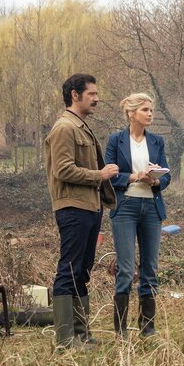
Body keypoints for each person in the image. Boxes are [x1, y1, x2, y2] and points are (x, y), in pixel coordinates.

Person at [45, 73, 118, 349]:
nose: (97, 99)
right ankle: (65, 339)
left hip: (89, 207)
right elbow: (62, 170)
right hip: (73, 208)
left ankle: (81, 334)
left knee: (82, 271)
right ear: (75, 95)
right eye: (92, 94)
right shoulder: (64, 128)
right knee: (69, 270)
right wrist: (99, 174)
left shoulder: (81, 126)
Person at [105, 93, 171, 338]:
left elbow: (167, 175)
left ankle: (148, 328)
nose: (150, 114)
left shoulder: (157, 142)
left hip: (151, 208)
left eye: (151, 110)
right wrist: (133, 177)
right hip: (126, 207)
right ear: (131, 113)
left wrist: (155, 178)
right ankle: (121, 331)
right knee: (125, 268)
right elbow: (110, 173)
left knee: (150, 268)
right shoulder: (116, 140)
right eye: (145, 109)